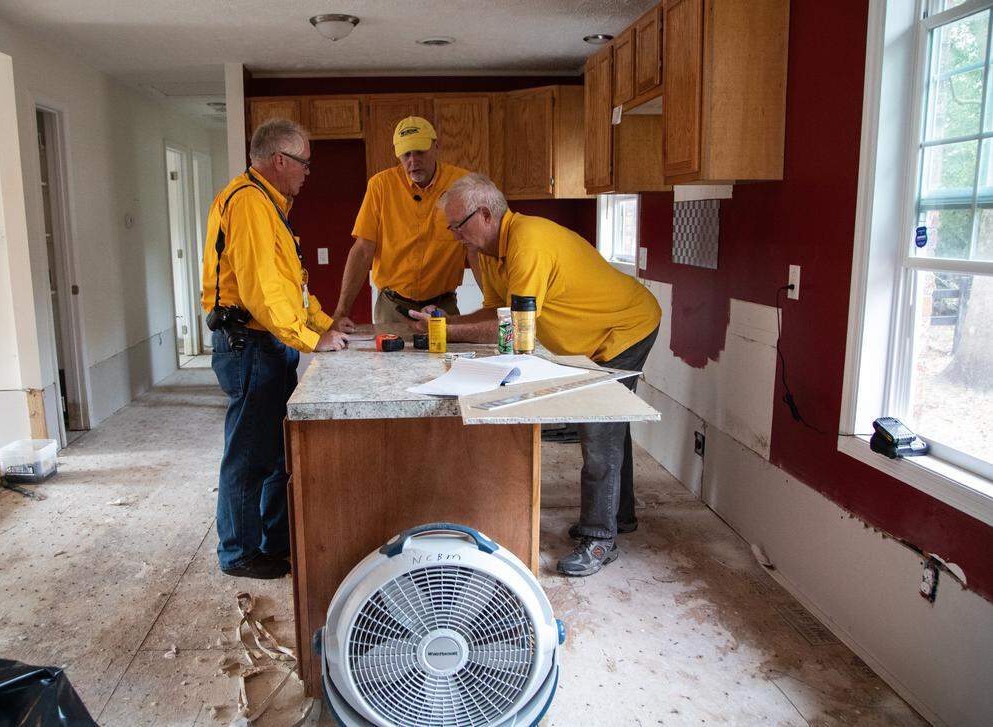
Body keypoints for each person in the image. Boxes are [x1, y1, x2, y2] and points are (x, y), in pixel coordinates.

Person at [415, 173, 662, 577]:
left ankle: (600, 538)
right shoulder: (489, 254)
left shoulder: (529, 241)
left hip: (626, 327)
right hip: (597, 336)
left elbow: (511, 325)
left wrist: (444, 331)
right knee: (610, 424)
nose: (452, 234)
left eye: (457, 225)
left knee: (599, 428)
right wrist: (449, 321)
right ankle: (622, 516)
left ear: (484, 215)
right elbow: (496, 313)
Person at [200, 118, 352, 579]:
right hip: (249, 345)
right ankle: (239, 553)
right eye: (304, 163)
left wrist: (325, 322)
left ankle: (271, 541)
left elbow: (290, 286)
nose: (308, 172)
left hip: (265, 345)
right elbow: (263, 292)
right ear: (280, 160)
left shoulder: (268, 203)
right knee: (248, 455)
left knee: (271, 452)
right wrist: (311, 339)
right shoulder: (249, 203)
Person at [334, 116, 472, 326]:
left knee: (446, 359)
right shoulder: (380, 186)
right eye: (406, 154)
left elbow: (476, 248)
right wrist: (341, 312)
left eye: (420, 152)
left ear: (436, 147)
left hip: (442, 308)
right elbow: (363, 250)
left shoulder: (462, 183)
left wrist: (495, 308)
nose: (413, 161)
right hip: (393, 307)